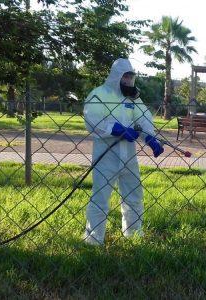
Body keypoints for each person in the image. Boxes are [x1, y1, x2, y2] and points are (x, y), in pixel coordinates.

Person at [82, 58, 164, 246]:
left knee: (134, 195)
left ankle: (134, 234)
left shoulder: (133, 98)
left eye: (131, 76)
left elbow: (143, 119)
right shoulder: (99, 94)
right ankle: (93, 239)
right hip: (106, 156)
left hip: (129, 156)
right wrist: (115, 129)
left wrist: (150, 137)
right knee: (101, 197)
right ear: (116, 76)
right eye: (125, 76)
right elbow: (91, 120)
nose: (128, 81)